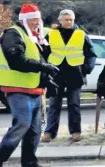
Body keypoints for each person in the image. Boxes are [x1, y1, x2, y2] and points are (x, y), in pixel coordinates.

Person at [0, 3, 59, 167]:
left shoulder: (34, 36)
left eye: (39, 19)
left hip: (34, 88)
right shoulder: (13, 33)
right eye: (34, 20)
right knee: (22, 124)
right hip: (17, 88)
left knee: (34, 129)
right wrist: (44, 66)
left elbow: (37, 59)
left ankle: (29, 163)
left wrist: (46, 77)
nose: (37, 22)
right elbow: (16, 60)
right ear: (25, 20)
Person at [41, 9, 96, 142]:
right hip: (56, 74)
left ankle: (75, 131)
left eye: (71, 19)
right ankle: (50, 132)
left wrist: (86, 69)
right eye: (66, 19)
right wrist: (45, 69)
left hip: (75, 74)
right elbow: (43, 53)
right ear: (60, 20)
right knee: (54, 104)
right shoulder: (51, 34)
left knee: (74, 104)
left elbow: (91, 54)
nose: (69, 22)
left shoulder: (81, 34)